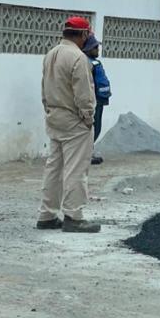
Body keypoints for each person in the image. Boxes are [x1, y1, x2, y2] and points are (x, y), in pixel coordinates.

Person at [37, 17, 101, 233]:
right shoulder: (78, 58)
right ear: (83, 35)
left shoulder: (51, 54)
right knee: (76, 169)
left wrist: (48, 108)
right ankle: (73, 216)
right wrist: (88, 117)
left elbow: (44, 87)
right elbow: (84, 94)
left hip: (54, 116)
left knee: (53, 167)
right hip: (74, 120)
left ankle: (47, 215)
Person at [83, 35, 111, 165]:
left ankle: (88, 152)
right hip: (94, 99)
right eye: (95, 48)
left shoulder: (92, 62)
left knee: (96, 127)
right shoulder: (86, 63)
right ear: (88, 48)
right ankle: (86, 154)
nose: (98, 50)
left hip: (100, 98)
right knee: (94, 128)